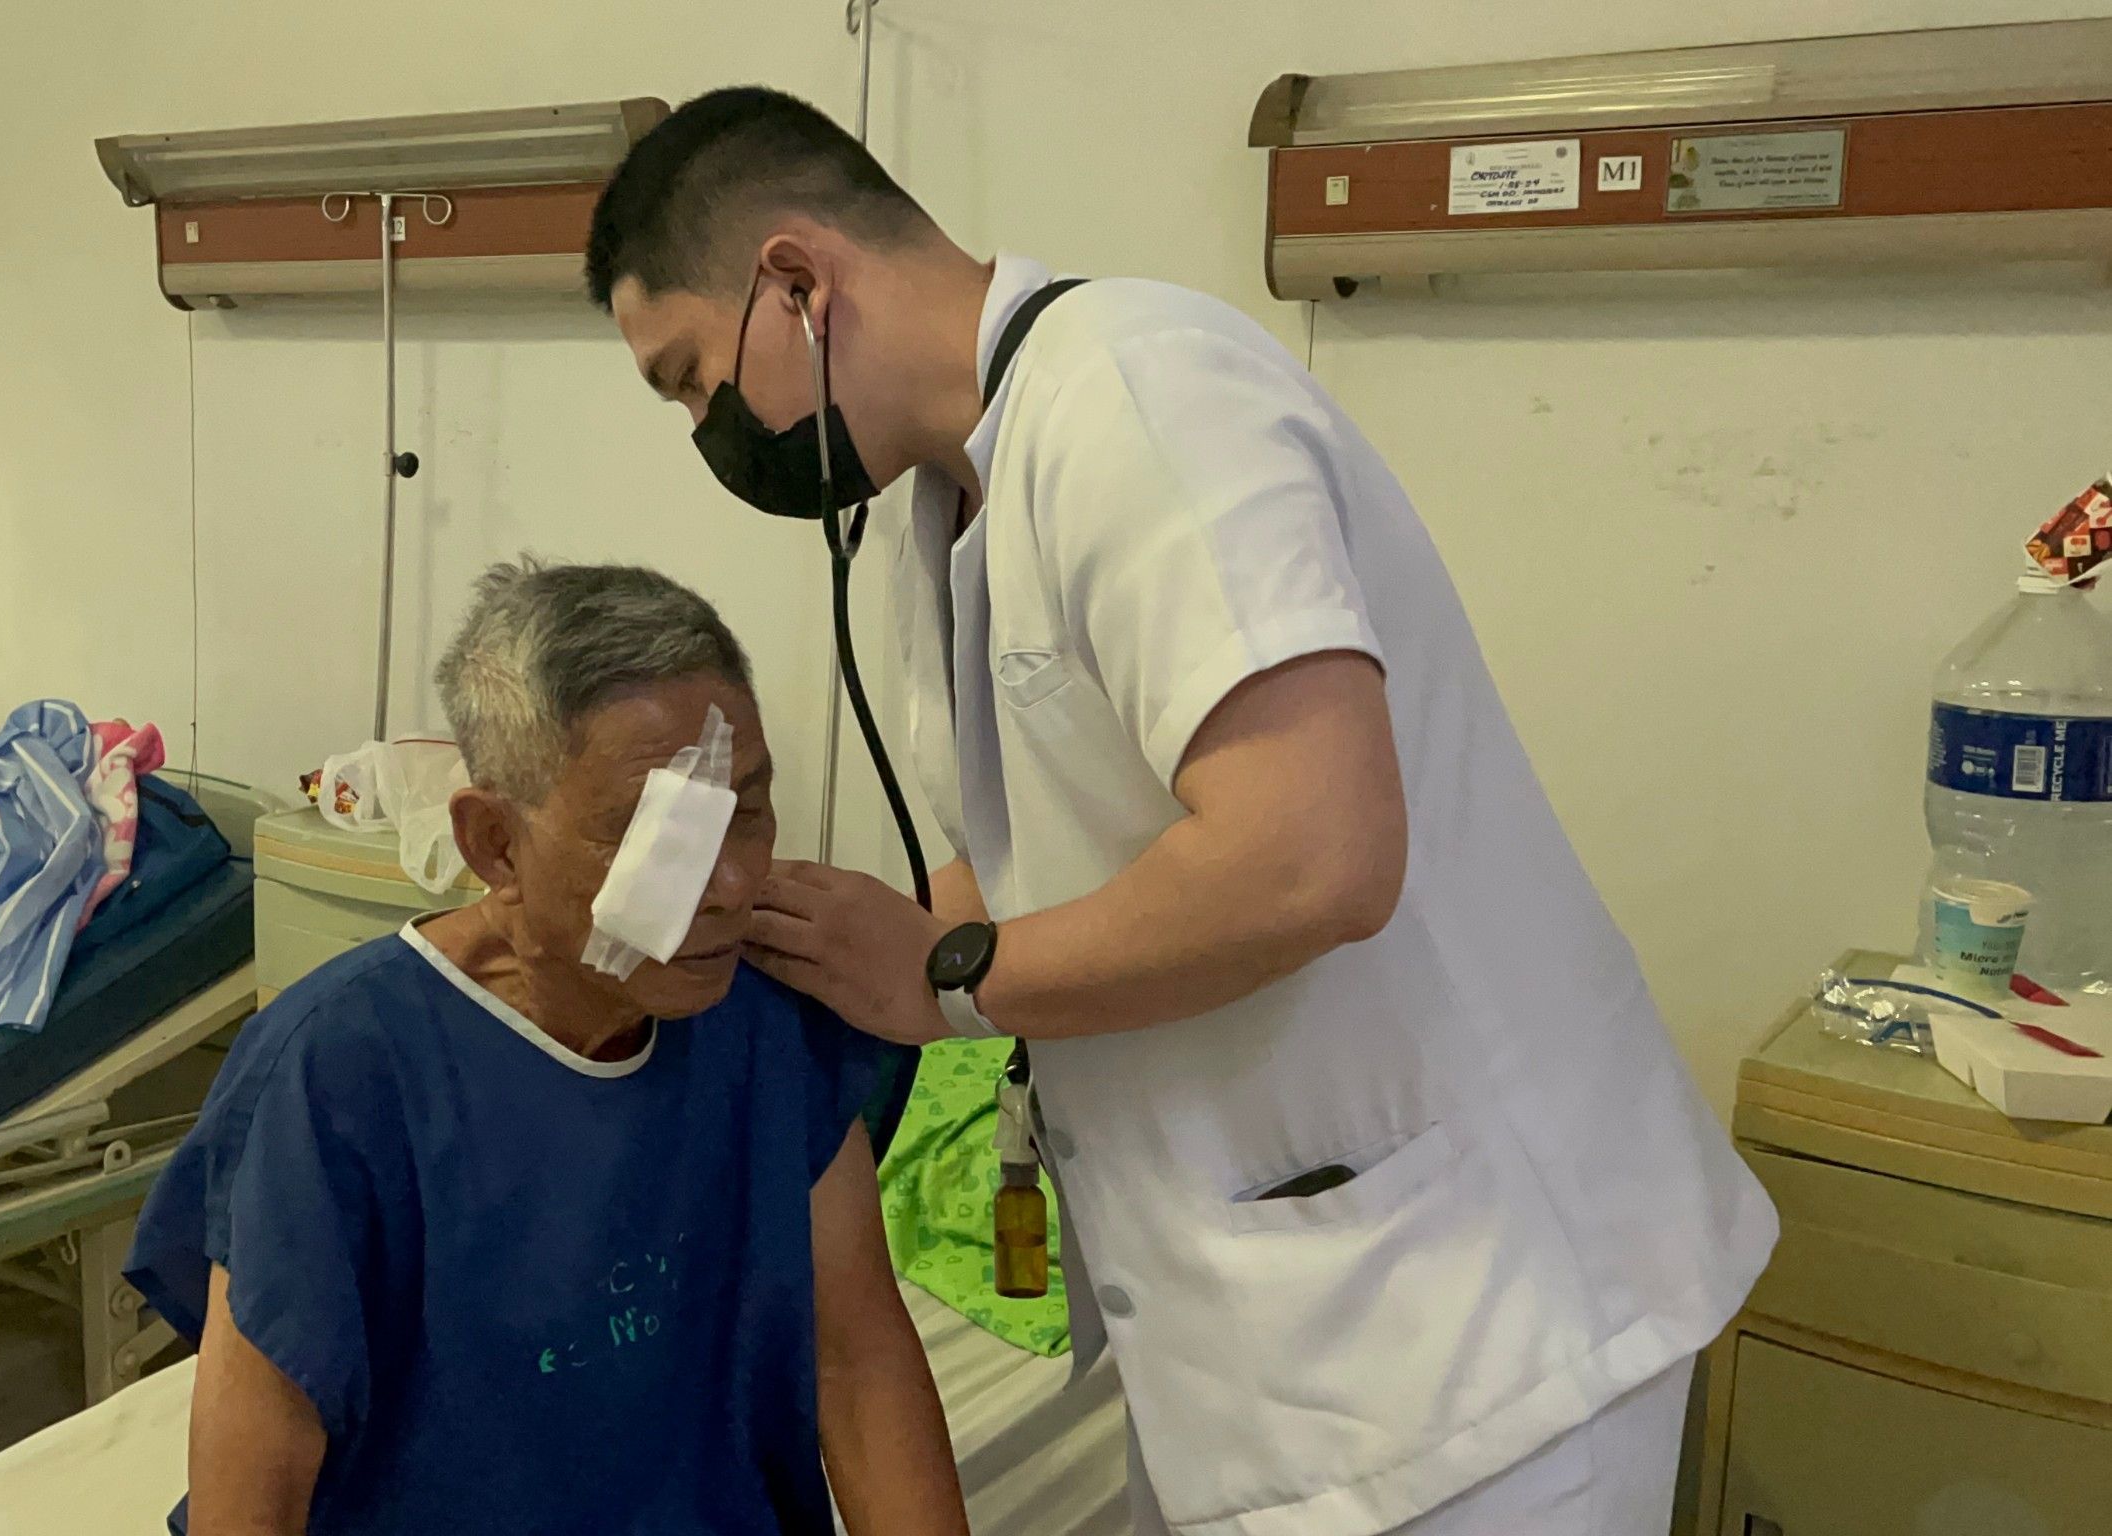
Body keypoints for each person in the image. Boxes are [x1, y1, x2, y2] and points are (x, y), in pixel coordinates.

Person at [584, 87, 1777, 1536]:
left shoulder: (1139, 395)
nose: (712, 431)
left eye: (693, 378)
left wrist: (948, 979)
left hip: (1472, 1340)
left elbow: (1312, 858)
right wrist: (803, 941)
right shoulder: (936, 514)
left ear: (794, 278)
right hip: (1260, 1353)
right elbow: (1036, 867)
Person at [124, 560, 965, 1536]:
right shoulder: (339, 1073)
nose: (733, 882)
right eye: (667, 838)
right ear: (494, 845)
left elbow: (854, 1361)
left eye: (749, 808)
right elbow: (254, 1488)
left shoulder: (767, 1021)